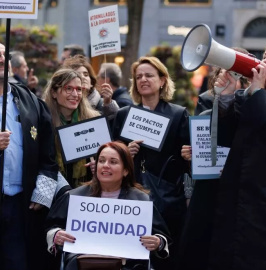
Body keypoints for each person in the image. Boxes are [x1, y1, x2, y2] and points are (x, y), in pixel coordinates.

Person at [112, 56, 190, 269]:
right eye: (138, 77)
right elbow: (111, 157)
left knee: (165, 257)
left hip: (167, 201)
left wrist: (188, 156)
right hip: (131, 198)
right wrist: (125, 152)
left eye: (149, 75)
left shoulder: (178, 114)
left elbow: (189, 165)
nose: (143, 80)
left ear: (162, 80)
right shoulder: (123, 115)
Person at [45, 141, 170, 270]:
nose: (105, 166)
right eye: (101, 161)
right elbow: (52, 226)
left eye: (113, 162)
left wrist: (157, 242)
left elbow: (162, 236)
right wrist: (56, 235)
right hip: (82, 264)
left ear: (126, 170)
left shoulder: (141, 201)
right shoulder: (74, 197)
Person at [202, 44, 266, 270]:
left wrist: (258, 92)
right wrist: (227, 95)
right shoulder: (248, 95)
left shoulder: (256, 94)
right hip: (237, 199)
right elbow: (223, 135)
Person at [179, 65, 250, 270]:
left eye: (231, 76)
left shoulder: (252, 112)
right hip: (209, 192)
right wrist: (190, 156)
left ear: (243, 83)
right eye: (221, 76)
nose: (224, 80)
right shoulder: (207, 112)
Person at [0, 43, 58, 270]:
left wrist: (42, 193)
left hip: (19, 205)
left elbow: (48, 155)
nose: (3, 60)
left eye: (5, 55)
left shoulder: (29, 101)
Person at [43, 68, 100, 188]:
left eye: (79, 89)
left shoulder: (93, 120)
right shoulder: (44, 122)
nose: (75, 94)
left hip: (86, 190)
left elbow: (105, 156)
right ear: (54, 92)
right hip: (54, 191)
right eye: (68, 89)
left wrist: (99, 164)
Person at [62, 55, 119, 119]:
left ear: (91, 82)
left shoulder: (103, 104)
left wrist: (108, 104)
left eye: (86, 74)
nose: (83, 77)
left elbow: (115, 123)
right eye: (77, 74)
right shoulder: (63, 106)